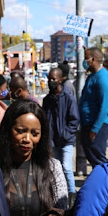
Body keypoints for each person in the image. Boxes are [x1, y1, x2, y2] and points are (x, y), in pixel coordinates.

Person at [44, 67, 80, 198]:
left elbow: (74, 120)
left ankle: (71, 194)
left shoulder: (69, 98)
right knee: (55, 170)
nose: (50, 81)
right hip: (53, 142)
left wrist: (66, 134)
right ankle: (59, 194)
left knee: (66, 168)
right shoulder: (47, 99)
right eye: (49, 79)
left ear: (60, 80)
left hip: (66, 141)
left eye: (53, 79)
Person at [79, 47, 108, 166]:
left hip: (97, 126)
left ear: (93, 59)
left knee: (98, 159)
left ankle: (107, 182)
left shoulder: (103, 78)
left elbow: (104, 107)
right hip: (88, 124)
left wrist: (95, 129)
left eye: (86, 58)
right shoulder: (92, 76)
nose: (84, 62)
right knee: (92, 157)